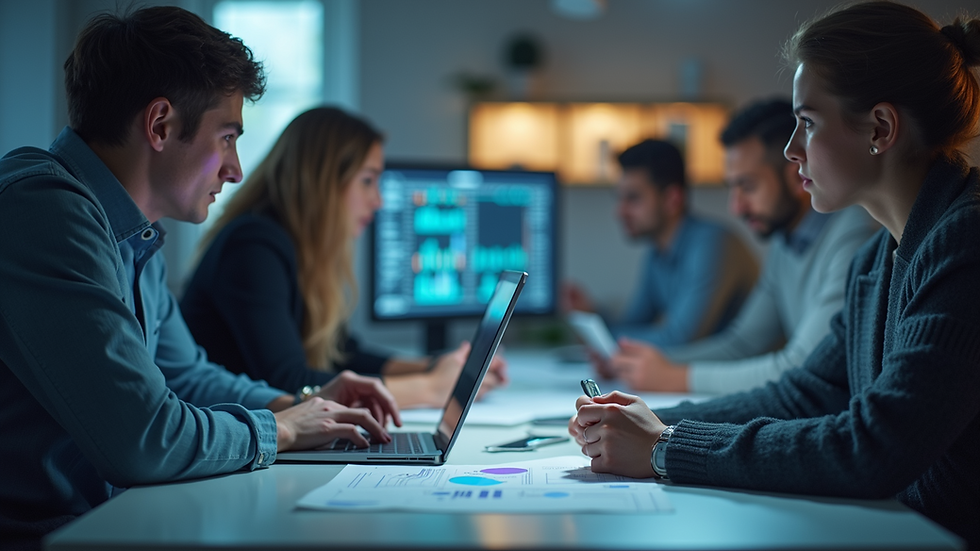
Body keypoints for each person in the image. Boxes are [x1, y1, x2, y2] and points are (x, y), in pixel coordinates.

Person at [569, 3, 980, 549]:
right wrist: (640, 420)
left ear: (880, 128)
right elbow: (806, 394)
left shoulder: (965, 242)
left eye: (807, 124)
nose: (792, 150)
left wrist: (666, 446)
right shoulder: (877, 259)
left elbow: (877, 446)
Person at [0, 8, 401, 550]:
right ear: (160, 124)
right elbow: (143, 438)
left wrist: (302, 403)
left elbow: (186, 377)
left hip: (97, 523)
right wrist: (281, 430)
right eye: (228, 137)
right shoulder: (44, 212)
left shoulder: (132, 233)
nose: (235, 169)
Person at [179, 106, 508, 409]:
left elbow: (342, 353)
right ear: (321, 182)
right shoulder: (252, 247)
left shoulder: (295, 248)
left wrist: (436, 366)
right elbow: (289, 381)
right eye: (367, 181)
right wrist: (428, 388)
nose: (378, 201)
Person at [609, 99, 878, 394]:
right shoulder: (785, 243)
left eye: (747, 187)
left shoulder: (855, 233)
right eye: (732, 188)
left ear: (797, 175)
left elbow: (803, 366)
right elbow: (744, 343)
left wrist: (676, 377)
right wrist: (648, 365)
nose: (736, 208)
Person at [562, 139, 759, 352]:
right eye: (619, 198)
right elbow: (635, 324)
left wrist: (606, 343)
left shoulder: (715, 245)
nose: (620, 211)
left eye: (633, 198)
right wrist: (592, 314)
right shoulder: (657, 253)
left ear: (672, 199)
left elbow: (679, 340)